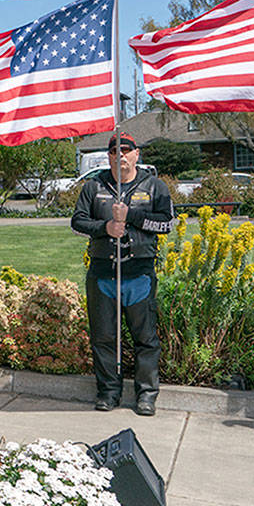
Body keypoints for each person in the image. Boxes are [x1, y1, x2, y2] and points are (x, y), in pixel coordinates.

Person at [72, 132, 173, 415]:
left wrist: (132, 217)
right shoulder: (94, 186)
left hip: (139, 274)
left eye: (127, 151)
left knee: (146, 338)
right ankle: (108, 392)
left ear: (137, 154)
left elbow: (166, 224)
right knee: (104, 337)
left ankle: (146, 395)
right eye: (115, 151)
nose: (121, 156)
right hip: (103, 274)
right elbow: (77, 222)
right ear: (109, 157)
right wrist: (105, 228)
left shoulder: (155, 187)